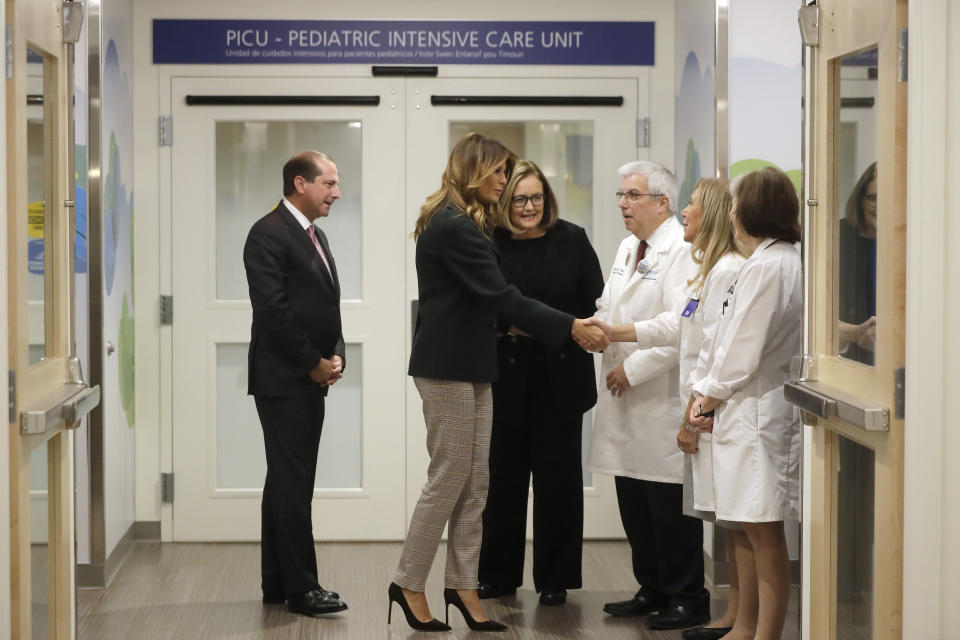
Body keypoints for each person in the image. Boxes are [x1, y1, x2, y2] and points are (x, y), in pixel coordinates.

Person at [389, 133, 607, 632]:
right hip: (448, 369)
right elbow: (502, 297)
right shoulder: (455, 226)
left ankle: (464, 586)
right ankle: (407, 582)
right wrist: (570, 326)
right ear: (475, 171)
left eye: (512, 176)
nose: (507, 184)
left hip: (474, 366)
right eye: (500, 174)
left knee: (476, 483)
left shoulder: (461, 221)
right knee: (449, 480)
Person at [588, 178, 750, 639]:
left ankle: (685, 594)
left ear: (662, 202)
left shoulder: (683, 252)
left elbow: (679, 331)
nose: (623, 203)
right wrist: (598, 328)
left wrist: (629, 364)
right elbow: (611, 303)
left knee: (666, 504)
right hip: (626, 397)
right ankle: (652, 586)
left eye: (633, 195)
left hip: (658, 394)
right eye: (619, 194)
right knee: (634, 499)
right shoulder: (627, 248)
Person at [477, 160, 605, 607]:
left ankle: (556, 578)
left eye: (536, 198)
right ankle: (497, 574)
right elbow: (485, 309)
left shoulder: (572, 239)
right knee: (502, 481)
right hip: (504, 378)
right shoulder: (488, 243)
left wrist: (537, 327)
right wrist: (529, 326)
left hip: (561, 377)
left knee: (559, 483)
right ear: (504, 202)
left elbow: (594, 302)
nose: (528, 207)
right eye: (518, 199)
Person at [689, 166, 803, 640]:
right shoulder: (775, 261)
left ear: (750, 211)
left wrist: (705, 398)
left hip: (755, 411)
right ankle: (751, 629)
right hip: (749, 409)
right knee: (753, 527)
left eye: (736, 203)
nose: (730, 211)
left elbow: (742, 349)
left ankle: (766, 633)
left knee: (764, 530)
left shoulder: (770, 266)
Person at [243, 151, 349, 617]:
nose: (336, 193)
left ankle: (277, 583)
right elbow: (273, 312)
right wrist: (311, 364)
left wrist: (337, 351)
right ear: (300, 183)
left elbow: (327, 304)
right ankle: (303, 589)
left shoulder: (314, 234)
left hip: (310, 376)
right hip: (285, 380)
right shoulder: (267, 234)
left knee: (285, 481)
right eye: (328, 184)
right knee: (293, 483)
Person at [838, 161, 878, 364]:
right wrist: (857, 333)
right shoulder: (838, 238)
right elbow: (816, 318)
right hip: (846, 362)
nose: (881, 206)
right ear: (861, 200)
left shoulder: (907, 244)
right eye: (874, 198)